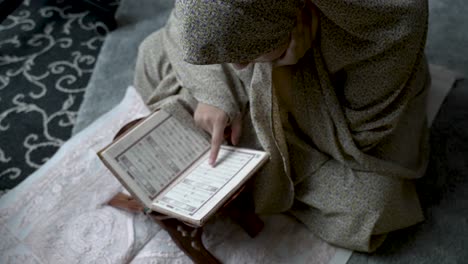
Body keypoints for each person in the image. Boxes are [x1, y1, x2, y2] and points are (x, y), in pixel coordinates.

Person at [134, 0, 430, 252]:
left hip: (331, 125)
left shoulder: (387, 25)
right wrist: (213, 95)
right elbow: (188, 19)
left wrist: (280, 73)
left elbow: (360, 140)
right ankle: (253, 155)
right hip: (273, 35)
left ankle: (256, 170)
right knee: (152, 52)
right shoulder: (259, 25)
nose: (239, 66)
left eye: (246, 57)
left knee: (374, 207)